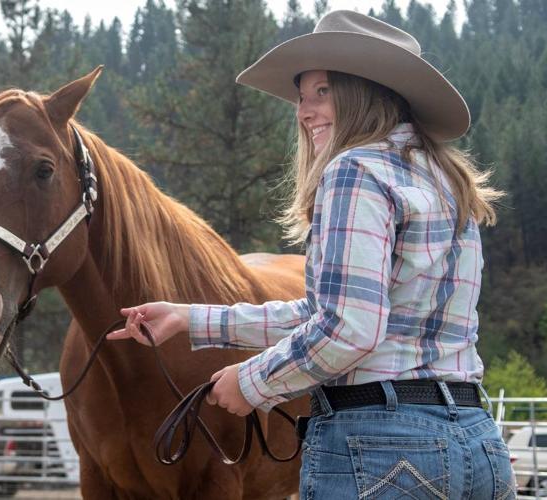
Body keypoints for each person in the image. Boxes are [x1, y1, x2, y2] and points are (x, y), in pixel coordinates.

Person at [108, 9, 516, 499]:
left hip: (383, 449)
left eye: (321, 92)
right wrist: (191, 318)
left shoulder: (355, 170)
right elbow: (331, 311)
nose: (304, 111)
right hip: (476, 441)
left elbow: (348, 328)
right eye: (302, 97)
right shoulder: (446, 182)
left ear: (364, 89)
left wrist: (254, 380)